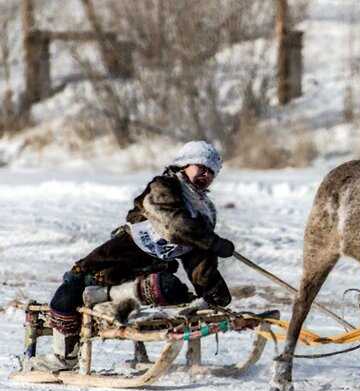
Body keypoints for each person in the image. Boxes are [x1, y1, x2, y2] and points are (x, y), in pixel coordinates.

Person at [30, 141, 236, 372]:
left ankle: (105, 296)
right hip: (119, 256)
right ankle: (64, 357)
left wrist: (213, 292)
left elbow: (197, 257)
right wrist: (212, 241)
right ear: (184, 164)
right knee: (69, 289)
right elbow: (174, 225)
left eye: (211, 173)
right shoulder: (163, 187)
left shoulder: (204, 211)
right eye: (202, 167)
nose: (206, 175)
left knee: (170, 289)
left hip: (153, 267)